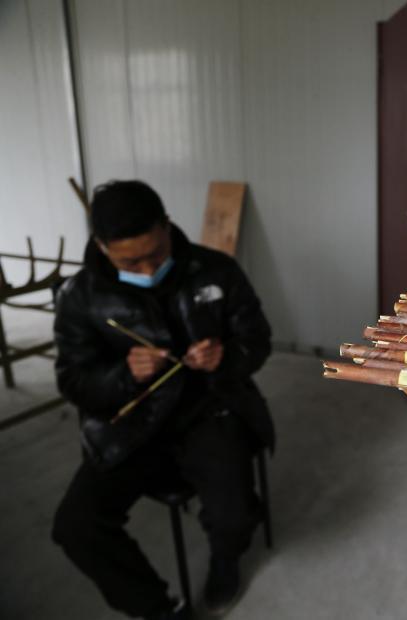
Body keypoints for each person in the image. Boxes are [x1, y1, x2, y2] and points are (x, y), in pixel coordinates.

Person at [51, 180, 274, 619]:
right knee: (76, 526)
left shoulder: (216, 270)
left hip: (209, 410)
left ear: (167, 226)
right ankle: (159, 610)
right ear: (102, 247)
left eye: (155, 253)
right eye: (130, 261)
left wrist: (225, 357)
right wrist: (124, 375)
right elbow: (74, 383)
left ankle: (225, 563)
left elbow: (258, 341)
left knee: (234, 517)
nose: (148, 267)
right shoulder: (80, 297)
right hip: (130, 423)